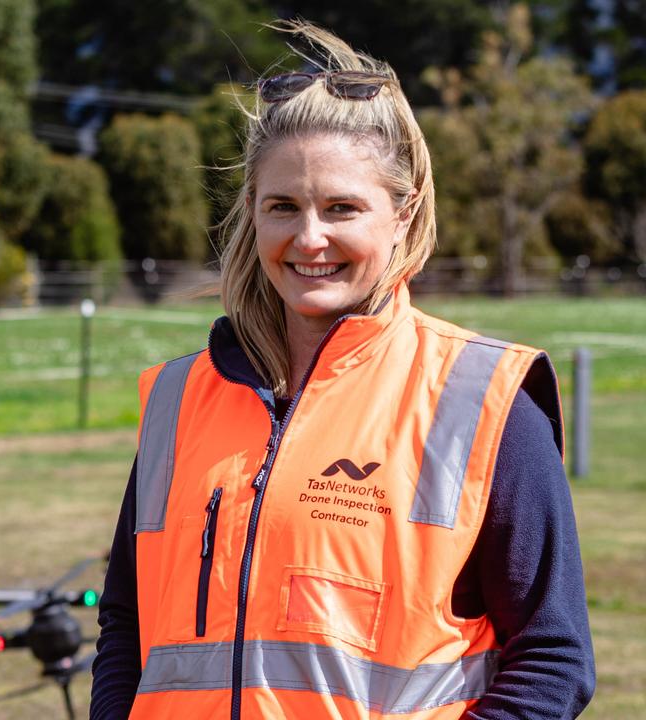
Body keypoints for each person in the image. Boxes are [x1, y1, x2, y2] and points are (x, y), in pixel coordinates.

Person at [90, 21, 596, 720]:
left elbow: (552, 661)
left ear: (401, 213)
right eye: (283, 208)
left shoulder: (485, 402)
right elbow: (125, 625)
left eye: (342, 208)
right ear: (251, 213)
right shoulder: (180, 398)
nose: (309, 239)